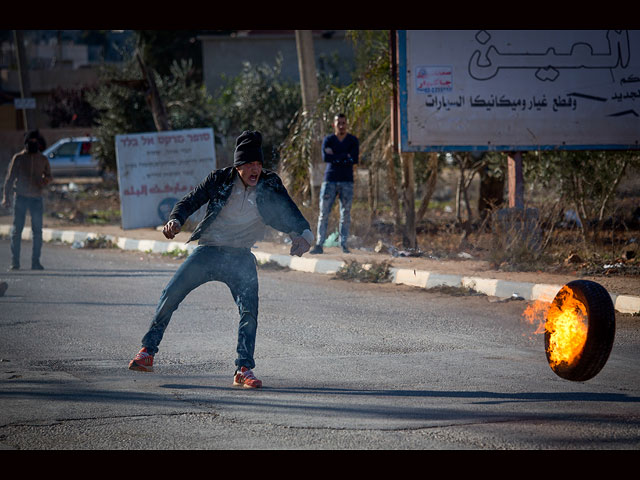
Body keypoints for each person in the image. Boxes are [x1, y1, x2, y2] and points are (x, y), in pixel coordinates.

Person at [128, 130, 313, 388]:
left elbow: (288, 210)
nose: (255, 170)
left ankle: (243, 368)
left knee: (249, 310)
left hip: (240, 257)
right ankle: (147, 351)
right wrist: (175, 220)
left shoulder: (270, 183)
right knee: (172, 292)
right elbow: (191, 200)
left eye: (258, 164)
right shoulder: (219, 179)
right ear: (238, 166)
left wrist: (302, 235)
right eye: (249, 164)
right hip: (209, 252)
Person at [2, 129, 52, 271]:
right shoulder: (18, 158)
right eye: (30, 142)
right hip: (21, 197)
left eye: (35, 142)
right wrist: (6, 197)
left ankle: (35, 262)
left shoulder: (42, 159)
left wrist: (44, 181)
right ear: (26, 143)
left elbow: (49, 176)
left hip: (36, 198)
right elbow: (10, 179)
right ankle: (15, 262)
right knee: (17, 230)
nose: (33, 144)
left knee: (37, 232)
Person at [309, 113, 359, 255]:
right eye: (339, 123)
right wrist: (344, 156)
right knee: (324, 213)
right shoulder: (329, 140)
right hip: (330, 179)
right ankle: (319, 244)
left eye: (344, 123)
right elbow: (326, 157)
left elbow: (354, 159)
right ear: (334, 125)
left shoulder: (353, 140)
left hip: (347, 181)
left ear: (347, 124)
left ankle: (343, 244)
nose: (341, 126)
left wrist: (336, 156)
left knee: (346, 213)